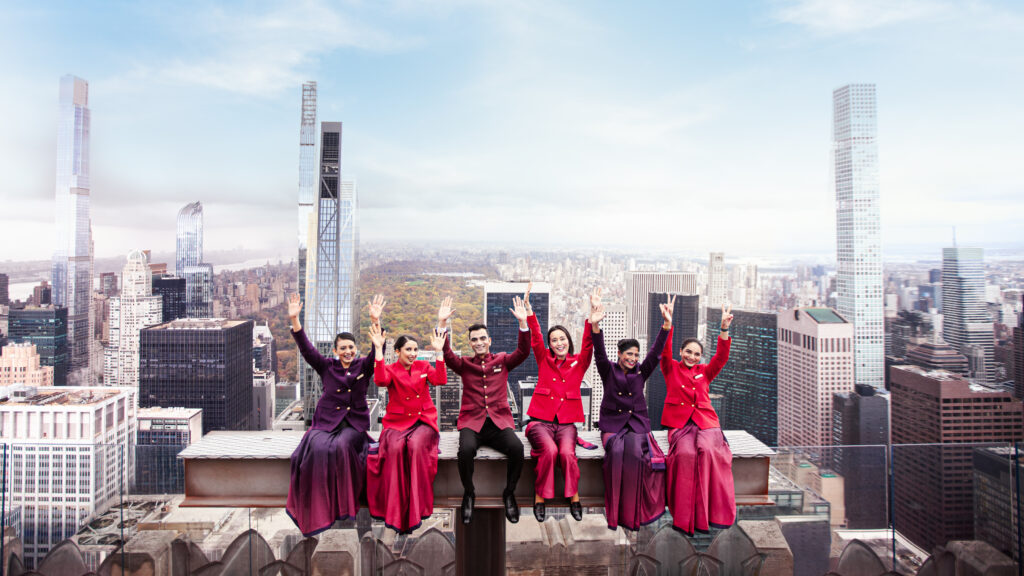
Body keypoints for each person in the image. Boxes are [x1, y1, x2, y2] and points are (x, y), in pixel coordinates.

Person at [285, 292, 384, 536]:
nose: (348, 351)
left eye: (351, 347)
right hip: (326, 422)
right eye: (343, 348)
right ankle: (320, 502)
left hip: (353, 426)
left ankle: (344, 505)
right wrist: (295, 320)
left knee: (341, 446)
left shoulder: (364, 366)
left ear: (356, 349)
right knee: (314, 450)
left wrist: (375, 320)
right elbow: (306, 349)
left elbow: (376, 352)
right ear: (335, 350)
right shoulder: (326, 365)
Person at [437, 294, 531, 524]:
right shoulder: (465, 365)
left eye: (482, 338)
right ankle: (469, 493)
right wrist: (442, 324)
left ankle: (509, 493)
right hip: (473, 423)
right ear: (469, 343)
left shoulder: (502, 360)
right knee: (465, 451)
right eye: (474, 339)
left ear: (489, 340)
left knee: (517, 449)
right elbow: (447, 354)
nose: (478, 342)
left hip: (499, 423)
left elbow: (523, 351)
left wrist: (522, 323)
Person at [590, 288, 669, 531]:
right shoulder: (608, 370)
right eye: (629, 354)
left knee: (636, 456)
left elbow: (655, 354)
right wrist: (595, 325)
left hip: (636, 425)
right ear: (620, 355)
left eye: (636, 354)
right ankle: (614, 514)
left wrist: (666, 325)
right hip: (613, 425)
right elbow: (599, 351)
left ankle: (632, 514)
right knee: (614, 454)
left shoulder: (641, 372)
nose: (633, 358)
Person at [660, 297, 736, 535]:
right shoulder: (671, 368)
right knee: (684, 454)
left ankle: (709, 514)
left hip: (706, 422)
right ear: (681, 352)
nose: (692, 357)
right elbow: (663, 351)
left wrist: (724, 329)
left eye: (697, 354)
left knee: (708, 451)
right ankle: (683, 518)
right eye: (688, 352)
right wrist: (667, 324)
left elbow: (721, 358)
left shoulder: (705, 372)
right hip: (680, 424)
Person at [366, 322, 448, 534]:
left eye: (415, 350)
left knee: (414, 447)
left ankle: (418, 505)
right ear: (397, 352)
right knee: (393, 450)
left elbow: (440, 379)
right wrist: (377, 349)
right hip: (397, 422)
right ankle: (394, 510)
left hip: (423, 421)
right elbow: (380, 380)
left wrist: (439, 353)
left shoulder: (423, 367)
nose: (412, 354)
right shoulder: (391, 369)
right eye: (408, 350)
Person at [524, 283, 595, 522]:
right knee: (550, 451)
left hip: (566, 424)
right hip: (540, 423)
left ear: (568, 340)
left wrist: (591, 319)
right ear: (550, 344)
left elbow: (588, 345)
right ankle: (540, 497)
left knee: (566, 453)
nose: (558, 343)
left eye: (562, 338)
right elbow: (534, 339)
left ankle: (573, 496)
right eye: (553, 340)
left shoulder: (579, 363)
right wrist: (530, 313)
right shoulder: (544, 359)